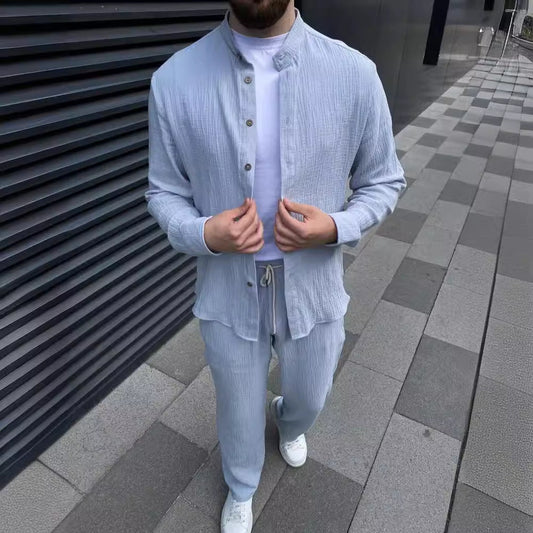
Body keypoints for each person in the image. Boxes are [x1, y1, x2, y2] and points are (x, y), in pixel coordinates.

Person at [145, 1, 406, 531]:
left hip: (313, 285)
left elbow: (383, 180)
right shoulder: (174, 79)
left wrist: (335, 226)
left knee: (311, 395)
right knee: (236, 408)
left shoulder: (354, 73)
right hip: (227, 289)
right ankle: (241, 485)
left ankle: (289, 421)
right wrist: (203, 233)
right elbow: (164, 191)